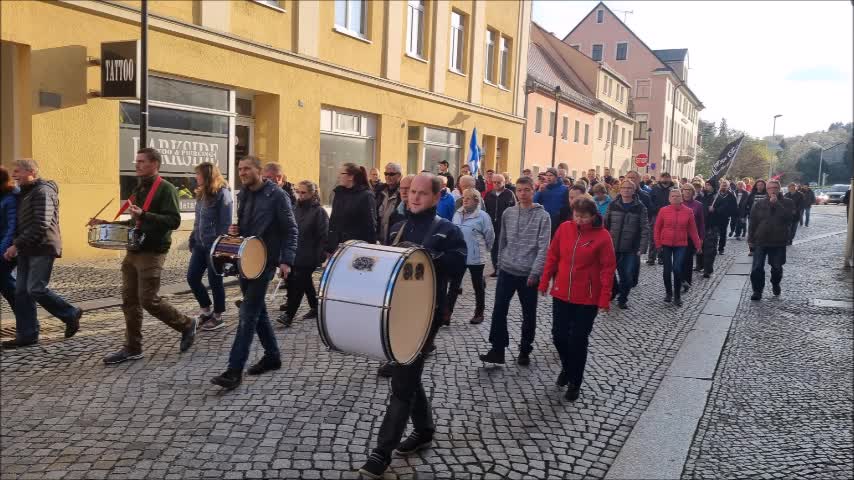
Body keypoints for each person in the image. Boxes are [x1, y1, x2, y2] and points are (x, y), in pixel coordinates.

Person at [358, 174, 467, 479]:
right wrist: (356, 257)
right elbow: (380, 265)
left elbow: (458, 265)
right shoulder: (396, 226)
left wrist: (427, 257)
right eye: (411, 192)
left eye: (421, 193)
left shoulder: (448, 231)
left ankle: (382, 451)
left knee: (402, 382)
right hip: (393, 313)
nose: (413, 197)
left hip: (424, 317)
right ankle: (424, 430)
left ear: (436, 197)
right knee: (409, 371)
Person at [92, 149, 192, 362]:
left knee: (148, 299)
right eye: (136, 161)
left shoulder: (166, 189)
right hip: (134, 250)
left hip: (153, 251)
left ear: (155, 164)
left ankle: (186, 324)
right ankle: (132, 347)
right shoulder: (139, 189)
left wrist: (145, 214)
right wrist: (106, 224)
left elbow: (173, 221)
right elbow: (133, 224)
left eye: (141, 161)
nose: (136, 165)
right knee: (129, 300)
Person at [210, 156, 298, 389]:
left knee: (248, 314)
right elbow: (246, 229)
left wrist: (286, 260)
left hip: (265, 262)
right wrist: (235, 230)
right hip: (246, 260)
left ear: (259, 171)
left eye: (247, 168)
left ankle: (234, 370)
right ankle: (272, 356)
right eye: (240, 169)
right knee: (258, 311)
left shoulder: (278, 196)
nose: (242, 172)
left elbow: (291, 230)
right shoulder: (244, 194)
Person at [539, 197, 615, 401]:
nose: (579, 220)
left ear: (592, 216)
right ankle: (567, 366)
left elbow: (608, 268)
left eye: (583, 216)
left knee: (578, 340)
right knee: (559, 336)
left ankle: (575, 381)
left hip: (588, 297)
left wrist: (605, 297)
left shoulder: (602, 236)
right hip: (562, 291)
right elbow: (552, 255)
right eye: (576, 216)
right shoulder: (564, 229)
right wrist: (544, 280)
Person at [2, 160, 82, 349]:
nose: (14, 175)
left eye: (17, 171)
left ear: (31, 172)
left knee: (35, 289)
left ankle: (70, 313)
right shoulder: (24, 192)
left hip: (43, 247)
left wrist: (16, 244)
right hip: (27, 248)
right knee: (21, 293)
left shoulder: (43, 192)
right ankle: (27, 335)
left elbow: (41, 224)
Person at [479, 176, 550, 366]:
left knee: (529, 313)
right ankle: (497, 349)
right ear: (516, 192)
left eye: (526, 190)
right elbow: (502, 241)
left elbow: (544, 247)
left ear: (533, 191)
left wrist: (536, 272)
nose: (522, 194)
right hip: (508, 270)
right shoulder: (508, 214)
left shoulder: (543, 216)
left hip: (528, 273)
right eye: (519, 190)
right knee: (499, 310)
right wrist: (500, 265)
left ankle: (525, 349)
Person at [187, 162, 232, 331]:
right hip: (200, 243)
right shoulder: (201, 193)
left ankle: (218, 315)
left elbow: (226, 222)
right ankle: (206, 310)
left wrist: (221, 245)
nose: (195, 177)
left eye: (198, 174)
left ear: (207, 175)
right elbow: (198, 220)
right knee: (192, 277)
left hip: (214, 245)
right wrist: (193, 237)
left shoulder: (222, 193)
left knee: (215, 281)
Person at [277, 180, 328, 327]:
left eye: (303, 192)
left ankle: (289, 315)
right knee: (304, 282)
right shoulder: (295, 209)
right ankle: (315, 306)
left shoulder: (319, 212)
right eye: (298, 192)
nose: (300, 195)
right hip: (295, 253)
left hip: (310, 254)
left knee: (298, 284)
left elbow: (323, 236)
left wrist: (320, 256)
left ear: (312, 194)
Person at [448, 188, 494, 325]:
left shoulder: (483, 216)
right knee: (454, 285)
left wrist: (485, 250)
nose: (465, 200)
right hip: (459, 255)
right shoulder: (457, 213)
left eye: (468, 198)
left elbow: (490, 236)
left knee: (478, 285)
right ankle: (446, 314)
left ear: (476, 200)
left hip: (476, 257)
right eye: (464, 197)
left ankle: (479, 313)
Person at [604, 180, 650, 309]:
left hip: (630, 248)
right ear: (620, 189)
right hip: (612, 246)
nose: (626, 190)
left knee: (627, 276)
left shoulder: (640, 207)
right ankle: (615, 290)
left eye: (629, 188)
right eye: (624, 187)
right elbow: (605, 225)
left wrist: (642, 248)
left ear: (634, 190)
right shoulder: (613, 205)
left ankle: (623, 299)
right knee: (609, 272)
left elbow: (645, 228)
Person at [748, 180, 795, 300]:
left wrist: (777, 204)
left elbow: (790, 218)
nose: (772, 190)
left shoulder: (788, 202)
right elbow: (753, 222)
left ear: (779, 189)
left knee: (777, 267)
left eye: (775, 188)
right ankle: (757, 291)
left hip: (778, 241)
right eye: (770, 188)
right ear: (766, 190)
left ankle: (775, 283)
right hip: (761, 240)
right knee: (757, 267)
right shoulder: (759, 204)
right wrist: (750, 239)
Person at [654, 188, 702, 307]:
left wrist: (698, 245)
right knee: (666, 270)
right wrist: (658, 244)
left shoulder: (688, 211)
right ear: (669, 199)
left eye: (678, 196)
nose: (675, 198)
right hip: (666, 243)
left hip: (681, 244)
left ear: (681, 198)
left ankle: (677, 296)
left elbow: (693, 230)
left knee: (677, 268)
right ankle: (668, 293)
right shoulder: (663, 210)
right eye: (673, 196)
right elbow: (657, 229)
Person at [326, 163, 377, 256]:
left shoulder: (366, 196)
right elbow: (333, 222)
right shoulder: (339, 193)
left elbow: (370, 226)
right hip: (337, 248)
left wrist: (370, 251)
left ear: (351, 177)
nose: (339, 176)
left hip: (356, 249)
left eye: (342, 173)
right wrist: (329, 247)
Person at [484, 174, 516, 276]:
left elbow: (514, 209)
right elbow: (485, 210)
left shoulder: (509, 194)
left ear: (504, 182)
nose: (497, 184)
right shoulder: (489, 194)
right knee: (494, 248)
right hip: (492, 225)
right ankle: (496, 269)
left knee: (504, 247)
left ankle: (505, 268)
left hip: (506, 225)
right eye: (494, 182)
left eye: (499, 182)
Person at [0, 166, 19, 316]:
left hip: (9, 247)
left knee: (6, 283)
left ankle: (25, 316)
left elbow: (12, 228)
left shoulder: (11, 198)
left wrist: (2, 251)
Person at [647, 172, 676, 265]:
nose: (665, 179)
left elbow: (676, 201)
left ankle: (662, 257)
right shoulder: (655, 188)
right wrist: (655, 209)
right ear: (661, 178)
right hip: (656, 215)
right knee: (653, 236)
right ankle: (651, 257)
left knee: (665, 237)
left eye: (667, 177)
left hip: (669, 216)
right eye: (664, 177)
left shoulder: (674, 189)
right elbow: (649, 201)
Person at [681, 184, 705, 290]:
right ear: (682, 191)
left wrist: (701, 238)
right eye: (685, 190)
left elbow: (701, 223)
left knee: (688, 259)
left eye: (689, 190)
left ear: (693, 192)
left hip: (691, 237)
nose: (687, 192)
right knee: (678, 260)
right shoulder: (677, 203)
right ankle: (680, 279)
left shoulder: (698, 205)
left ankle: (687, 280)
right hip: (678, 236)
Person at [533, 168, 569, 238]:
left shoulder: (564, 189)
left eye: (551, 175)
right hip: (543, 219)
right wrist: (539, 191)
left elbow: (566, 206)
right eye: (547, 175)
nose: (548, 177)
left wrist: (562, 218)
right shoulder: (542, 187)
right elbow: (534, 202)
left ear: (556, 177)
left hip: (557, 220)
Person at [376, 163, 403, 243]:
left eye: (391, 174)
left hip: (395, 240)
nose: (388, 176)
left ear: (400, 176)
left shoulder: (403, 193)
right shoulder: (379, 191)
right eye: (386, 174)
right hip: (378, 240)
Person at [745, 180, 768, 256]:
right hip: (753, 216)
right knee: (751, 232)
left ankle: (762, 247)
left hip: (764, 217)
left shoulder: (767, 194)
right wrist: (746, 213)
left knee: (763, 232)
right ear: (756, 186)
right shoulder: (752, 195)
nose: (760, 186)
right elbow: (747, 205)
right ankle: (752, 249)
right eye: (758, 185)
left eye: (761, 185)